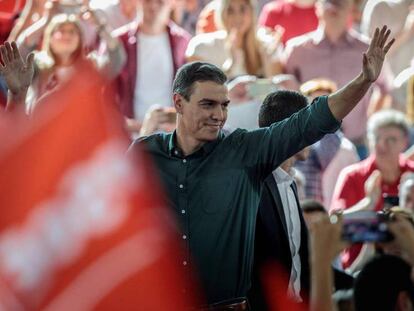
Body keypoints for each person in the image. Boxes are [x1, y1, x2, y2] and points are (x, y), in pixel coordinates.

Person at [1, 25, 394, 308]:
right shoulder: (140, 156)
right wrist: (19, 96)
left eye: (224, 105)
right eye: (208, 104)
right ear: (178, 102)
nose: (219, 115)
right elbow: (53, 175)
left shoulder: (247, 152)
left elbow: (315, 119)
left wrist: (363, 80)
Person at [283, 0, 392, 159]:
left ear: (352, 8)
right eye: (329, 1)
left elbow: (385, 88)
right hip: (308, 147)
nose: (334, 5)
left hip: (356, 144)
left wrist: (369, 121)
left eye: (340, 1)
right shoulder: (296, 50)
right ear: (317, 7)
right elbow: (286, 95)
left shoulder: (366, 49)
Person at [249, 90, 311, 309]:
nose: (316, 134)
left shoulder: (290, 184)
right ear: (292, 129)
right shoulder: (253, 187)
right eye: (310, 125)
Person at [331, 109, 414, 269]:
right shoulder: (352, 176)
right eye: (376, 138)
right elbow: (334, 226)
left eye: (390, 140)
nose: (381, 145)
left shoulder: (412, 175)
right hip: (360, 270)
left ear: (404, 142)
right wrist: (368, 203)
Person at [112, 0, 190, 134]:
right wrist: (140, 127)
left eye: (160, 1)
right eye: (148, 0)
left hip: (170, 140)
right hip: (129, 139)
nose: (153, 5)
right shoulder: (118, 41)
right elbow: (104, 95)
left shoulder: (183, 41)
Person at [25, 13, 125, 111]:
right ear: (49, 37)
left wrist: (99, 25)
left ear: (80, 40)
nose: (67, 35)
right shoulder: (36, 65)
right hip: (41, 125)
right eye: (61, 30)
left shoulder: (91, 67)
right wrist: (45, 21)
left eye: (72, 32)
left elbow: (117, 58)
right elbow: (18, 53)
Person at [296, 78, 359, 208]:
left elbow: (324, 152)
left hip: (321, 212)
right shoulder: (293, 137)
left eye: (326, 103)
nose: (320, 109)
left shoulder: (341, 144)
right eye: (314, 102)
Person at [185, 0, 283, 79]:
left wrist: (268, 56)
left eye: (243, 9)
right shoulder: (203, 46)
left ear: (252, 12)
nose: (237, 17)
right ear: (222, 13)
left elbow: (275, 91)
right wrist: (232, 62)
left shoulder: (267, 44)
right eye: (230, 10)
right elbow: (202, 93)